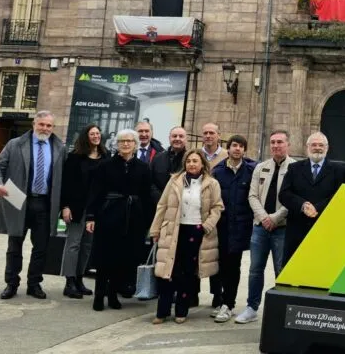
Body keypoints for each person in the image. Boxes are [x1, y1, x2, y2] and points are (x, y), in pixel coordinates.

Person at [0, 110, 66, 300]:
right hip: (18, 201)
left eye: (49, 125)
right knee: (14, 246)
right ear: (34, 124)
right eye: (42, 124)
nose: (45, 128)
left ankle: (34, 284)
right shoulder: (15, 144)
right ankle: (11, 283)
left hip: (45, 204)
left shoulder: (60, 148)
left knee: (41, 248)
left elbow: (66, 178)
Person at [149, 149, 224, 324]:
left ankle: (181, 310)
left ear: (202, 164)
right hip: (173, 230)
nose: (191, 164)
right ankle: (162, 312)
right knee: (167, 272)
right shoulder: (175, 181)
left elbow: (217, 207)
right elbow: (162, 205)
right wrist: (155, 230)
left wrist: (206, 226)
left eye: (195, 161)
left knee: (187, 273)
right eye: (189, 161)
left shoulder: (211, 183)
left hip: (196, 231)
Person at [85, 129, 154, 311]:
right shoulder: (105, 166)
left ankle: (113, 295)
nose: (125, 144)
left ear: (135, 144)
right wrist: (91, 216)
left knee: (122, 259)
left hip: (133, 219)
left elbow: (147, 196)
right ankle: (99, 295)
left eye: (129, 141)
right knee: (104, 257)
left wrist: (148, 221)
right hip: (109, 215)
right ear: (117, 144)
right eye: (122, 141)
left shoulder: (143, 167)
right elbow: (95, 192)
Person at [235, 129, 294, 324]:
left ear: (288, 144)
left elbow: (294, 199)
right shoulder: (261, 167)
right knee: (255, 270)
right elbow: (252, 195)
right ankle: (252, 307)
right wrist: (263, 217)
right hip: (260, 228)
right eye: (273, 142)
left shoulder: (295, 168)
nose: (276, 145)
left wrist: (275, 218)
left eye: (280, 142)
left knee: (281, 270)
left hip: (282, 228)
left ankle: (282, 310)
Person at [208, 135, 256, 323]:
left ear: (244, 150)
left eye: (241, 146)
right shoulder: (218, 171)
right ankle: (221, 301)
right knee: (219, 265)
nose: (237, 149)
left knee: (233, 266)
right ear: (228, 149)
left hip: (240, 226)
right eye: (234, 145)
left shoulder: (251, 170)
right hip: (221, 225)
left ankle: (228, 303)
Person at [279, 131, 345, 263]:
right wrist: (303, 205)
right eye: (314, 144)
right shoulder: (294, 168)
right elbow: (284, 194)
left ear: (327, 148)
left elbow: (340, 196)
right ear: (307, 147)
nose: (317, 148)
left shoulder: (338, 170)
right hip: (297, 230)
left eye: (321, 145)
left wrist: (317, 208)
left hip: (325, 229)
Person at [60, 124, 109, 299]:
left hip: (96, 209)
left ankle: (80, 278)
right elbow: (66, 183)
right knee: (73, 244)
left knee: (87, 246)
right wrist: (65, 206)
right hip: (77, 207)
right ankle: (69, 281)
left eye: (97, 133)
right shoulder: (75, 157)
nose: (96, 136)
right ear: (85, 136)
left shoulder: (106, 156)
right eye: (92, 134)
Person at [150, 127, 188, 206]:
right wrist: (160, 198)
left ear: (186, 139)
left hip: (181, 205)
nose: (177, 139)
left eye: (181, 136)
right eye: (174, 136)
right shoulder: (158, 158)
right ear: (169, 138)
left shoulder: (190, 159)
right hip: (158, 204)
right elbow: (150, 181)